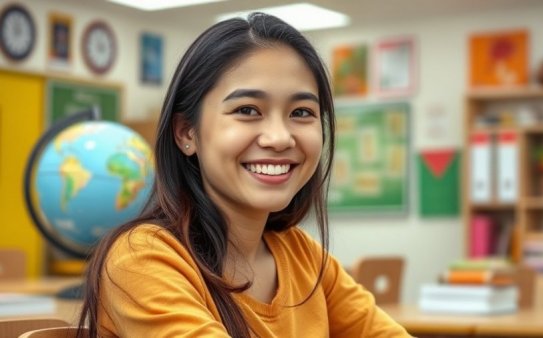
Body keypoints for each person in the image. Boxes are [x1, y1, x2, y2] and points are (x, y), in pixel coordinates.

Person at [76, 12, 411, 338]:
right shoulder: (142, 259)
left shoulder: (302, 256)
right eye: (247, 110)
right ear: (186, 133)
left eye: (301, 112)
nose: (279, 138)